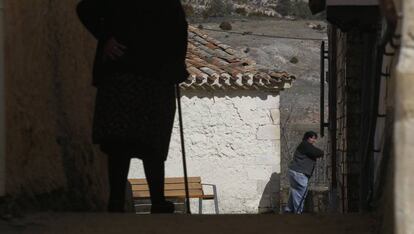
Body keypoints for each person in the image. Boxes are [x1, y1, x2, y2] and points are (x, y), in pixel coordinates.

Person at [76, 0, 189, 213]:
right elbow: (85, 8)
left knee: (142, 141)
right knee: (131, 141)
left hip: (148, 75)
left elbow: (178, 30)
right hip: (131, 74)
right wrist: (106, 39)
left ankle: (128, 201)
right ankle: (142, 201)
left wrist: (176, 66)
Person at [285, 131, 324, 214]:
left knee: (295, 192)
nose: (314, 140)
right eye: (312, 138)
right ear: (307, 138)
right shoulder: (305, 145)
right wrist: (322, 153)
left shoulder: (304, 145)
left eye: (315, 138)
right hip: (299, 173)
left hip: (295, 172)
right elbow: (318, 152)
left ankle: (288, 211)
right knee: (301, 194)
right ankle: (298, 213)